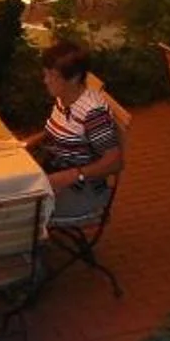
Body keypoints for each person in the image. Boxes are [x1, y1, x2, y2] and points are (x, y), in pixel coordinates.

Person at [31, 39, 126, 225]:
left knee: (18, 208)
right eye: (45, 74)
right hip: (55, 173)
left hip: (82, 191)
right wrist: (25, 144)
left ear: (74, 78)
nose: (45, 80)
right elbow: (55, 131)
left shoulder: (93, 112)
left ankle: (31, 248)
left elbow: (115, 162)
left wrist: (75, 175)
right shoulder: (63, 97)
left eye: (52, 76)